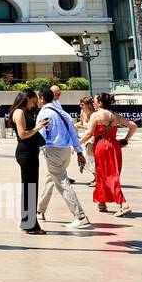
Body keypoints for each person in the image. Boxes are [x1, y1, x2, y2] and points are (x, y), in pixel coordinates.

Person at [35, 86, 92, 229]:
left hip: (53, 151)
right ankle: (40, 210)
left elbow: (41, 135)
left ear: (41, 98)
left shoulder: (44, 113)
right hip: (66, 151)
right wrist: (79, 152)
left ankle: (80, 216)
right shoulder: (62, 112)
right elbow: (73, 132)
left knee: (62, 183)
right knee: (51, 178)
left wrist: (35, 152)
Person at [83, 92, 137, 216]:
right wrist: (126, 139)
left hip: (101, 146)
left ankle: (123, 204)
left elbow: (89, 133)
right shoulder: (115, 115)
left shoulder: (96, 115)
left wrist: (76, 144)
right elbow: (133, 126)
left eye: (95, 100)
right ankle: (102, 203)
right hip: (114, 146)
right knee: (105, 173)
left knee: (108, 175)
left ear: (100, 102)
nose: (93, 102)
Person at [11, 90, 49, 233]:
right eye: (33, 102)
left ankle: (27, 222)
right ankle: (30, 224)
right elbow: (22, 134)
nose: (34, 105)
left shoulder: (24, 112)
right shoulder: (19, 112)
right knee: (30, 188)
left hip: (30, 152)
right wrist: (37, 128)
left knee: (30, 188)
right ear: (26, 98)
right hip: (26, 152)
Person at [75, 96, 97, 186]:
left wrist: (81, 126)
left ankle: (98, 178)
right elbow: (80, 123)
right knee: (85, 158)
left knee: (90, 158)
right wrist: (72, 126)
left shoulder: (95, 114)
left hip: (93, 136)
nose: (80, 106)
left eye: (82, 104)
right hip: (86, 136)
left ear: (88, 105)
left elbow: (94, 127)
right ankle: (96, 177)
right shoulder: (82, 112)